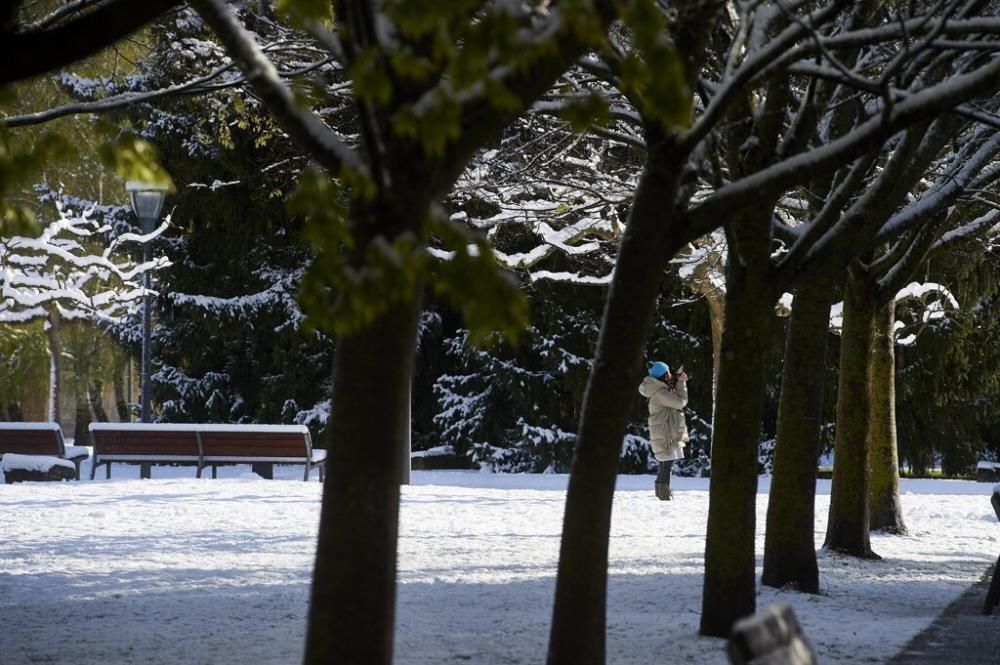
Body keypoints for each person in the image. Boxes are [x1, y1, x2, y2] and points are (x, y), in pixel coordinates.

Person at [638, 361, 689, 500]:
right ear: (664, 375)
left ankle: (663, 495)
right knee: (667, 465)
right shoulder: (660, 393)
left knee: (665, 464)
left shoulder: (659, 390)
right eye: (668, 372)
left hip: (664, 432)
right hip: (665, 434)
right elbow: (680, 402)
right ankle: (663, 497)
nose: (671, 375)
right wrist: (682, 383)